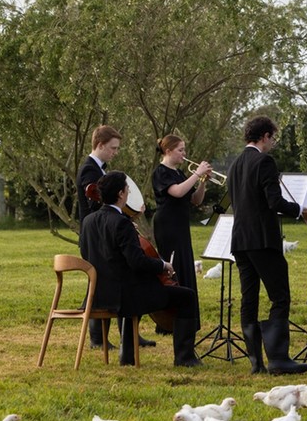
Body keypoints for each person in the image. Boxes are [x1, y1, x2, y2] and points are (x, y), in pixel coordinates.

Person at [78, 171, 203, 367]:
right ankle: (185, 357)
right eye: (127, 189)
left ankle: (127, 356)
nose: (128, 192)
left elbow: (86, 255)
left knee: (133, 291)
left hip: (98, 294)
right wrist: (163, 265)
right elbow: (137, 262)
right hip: (125, 296)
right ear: (121, 194)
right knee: (186, 296)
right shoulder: (121, 223)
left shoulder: (88, 221)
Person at [229, 115, 307, 375]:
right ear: (265, 136)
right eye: (272, 138)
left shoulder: (235, 164)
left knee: (249, 298)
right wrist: (302, 210)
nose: (272, 143)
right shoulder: (263, 161)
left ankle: (256, 362)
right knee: (279, 296)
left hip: (240, 240)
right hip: (263, 240)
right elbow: (274, 202)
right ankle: (278, 359)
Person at [77, 125, 150, 350]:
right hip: (98, 234)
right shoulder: (90, 170)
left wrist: (129, 210)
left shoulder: (99, 169)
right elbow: (98, 204)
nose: (115, 152)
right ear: (100, 145)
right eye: (113, 148)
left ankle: (128, 333)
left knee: (116, 279)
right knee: (105, 281)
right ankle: (99, 338)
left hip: (102, 231)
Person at [151, 134, 212, 334]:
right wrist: (196, 174)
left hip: (180, 225)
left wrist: (202, 181)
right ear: (168, 151)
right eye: (180, 150)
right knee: (173, 268)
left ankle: (186, 320)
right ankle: (168, 322)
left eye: (184, 150)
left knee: (185, 266)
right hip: (167, 225)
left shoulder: (179, 174)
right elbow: (176, 192)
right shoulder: (161, 172)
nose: (184, 154)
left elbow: (195, 200)